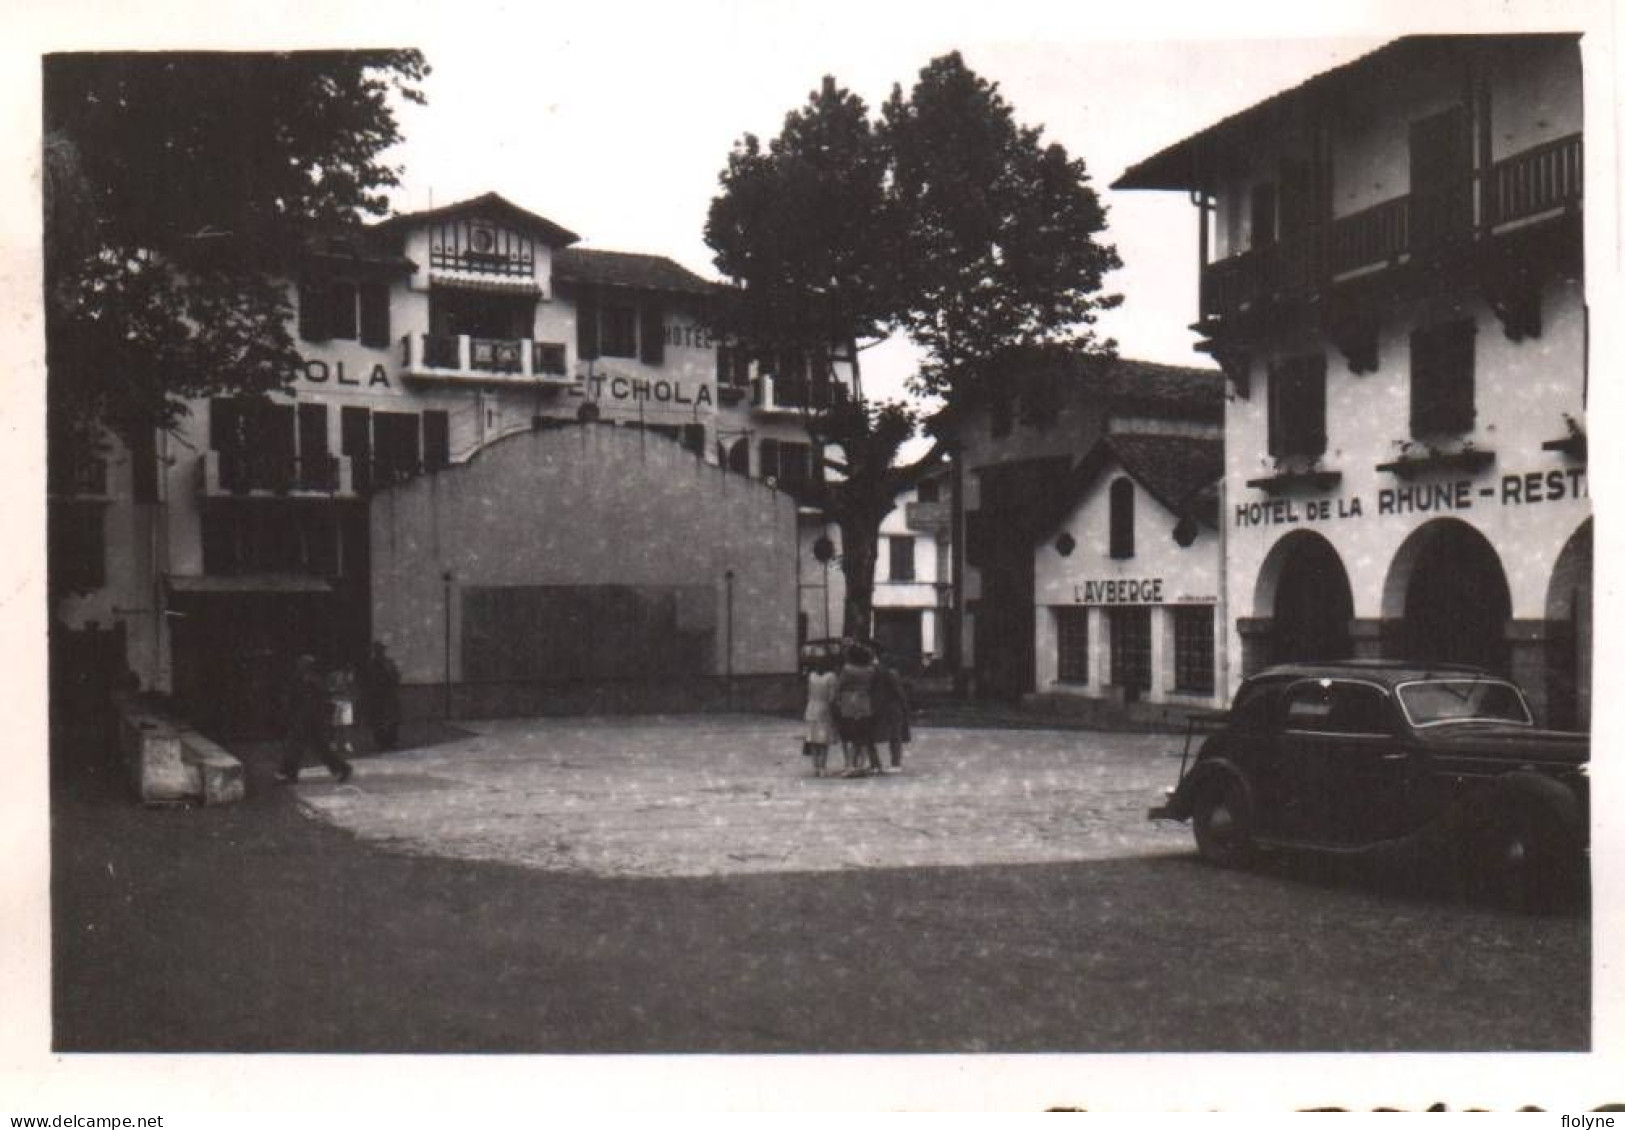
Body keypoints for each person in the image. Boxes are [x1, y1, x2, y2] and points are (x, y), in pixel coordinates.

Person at [277, 654, 353, 784]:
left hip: (309, 719)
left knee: (301, 747)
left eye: (301, 664)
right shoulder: (302, 679)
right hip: (305, 718)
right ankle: (289, 773)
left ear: (307, 666)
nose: (299, 666)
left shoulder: (311, 681)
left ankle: (289, 774)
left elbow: (319, 700)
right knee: (303, 747)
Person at [833, 643, 881, 777]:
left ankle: (849, 765)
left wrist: (836, 700)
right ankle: (863, 763)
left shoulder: (847, 669)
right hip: (865, 701)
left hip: (849, 702)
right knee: (863, 735)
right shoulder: (870, 670)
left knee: (848, 736)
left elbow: (839, 686)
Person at [361, 640, 402, 751]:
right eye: (377, 649)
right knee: (378, 720)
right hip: (377, 696)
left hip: (389, 695)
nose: (380, 652)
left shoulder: (389, 663)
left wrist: (393, 681)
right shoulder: (371, 664)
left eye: (381, 649)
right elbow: (367, 680)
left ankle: (392, 742)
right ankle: (381, 743)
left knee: (392, 720)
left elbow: (397, 676)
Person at [874, 656, 911, 771]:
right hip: (893, 706)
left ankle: (876, 763)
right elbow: (899, 692)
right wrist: (905, 707)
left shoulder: (876, 672)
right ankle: (895, 762)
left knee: (891, 734)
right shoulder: (892, 674)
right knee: (895, 735)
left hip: (882, 705)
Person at [803, 656, 838, 778]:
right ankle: (822, 767)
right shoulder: (831, 677)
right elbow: (832, 696)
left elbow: (808, 692)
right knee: (823, 741)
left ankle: (815, 767)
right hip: (824, 709)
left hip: (811, 707)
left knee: (813, 740)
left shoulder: (811, 676)